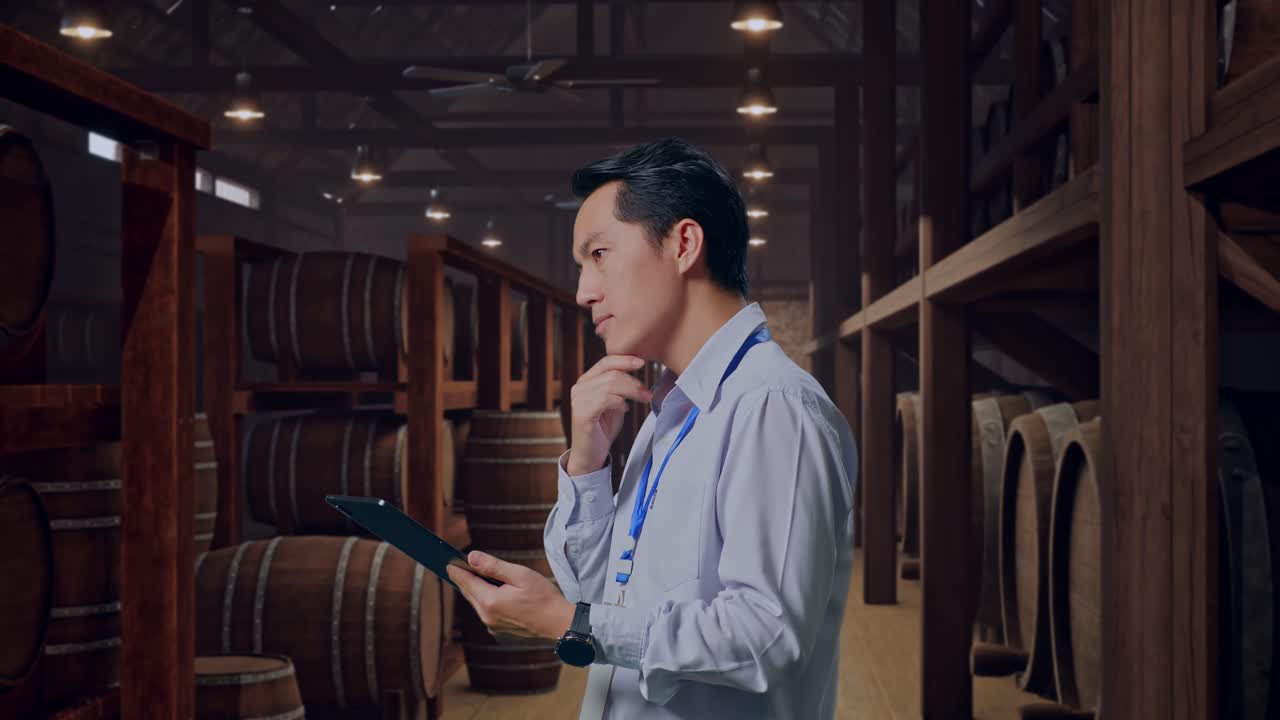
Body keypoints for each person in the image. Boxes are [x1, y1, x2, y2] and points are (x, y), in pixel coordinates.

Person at [446, 137, 858, 719]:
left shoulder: (771, 405)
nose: (585, 290)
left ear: (683, 244)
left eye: (599, 253)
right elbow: (605, 598)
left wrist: (569, 623)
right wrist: (587, 463)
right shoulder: (669, 407)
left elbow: (766, 636)